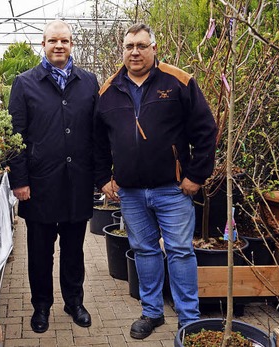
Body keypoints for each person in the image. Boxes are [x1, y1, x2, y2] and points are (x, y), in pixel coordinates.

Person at [94, 23, 217, 339]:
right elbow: (96, 140)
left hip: (172, 189)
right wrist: (102, 179)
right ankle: (151, 313)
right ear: (123, 50)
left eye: (141, 45)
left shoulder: (178, 82)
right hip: (131, 192)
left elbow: (205, 130)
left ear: (153, 48)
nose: (134, 51)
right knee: (144, 250)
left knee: (179, 251)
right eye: (129, 46)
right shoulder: (108, 91)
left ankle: (189, 319)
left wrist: (196, 175)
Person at [7, 20, 99, 334]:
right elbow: (13, 135)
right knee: (40, 252)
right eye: (53, 41)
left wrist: (100, 177)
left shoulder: (88, 82)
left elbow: (96, 134)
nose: (59, 46)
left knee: (74, 250)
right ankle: (41, 305)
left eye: (65, 41)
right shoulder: (25, 83)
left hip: (77, 183)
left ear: (72, 45)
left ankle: (74, 301)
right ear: (43, 44)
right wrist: (19, 181)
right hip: (40, 185)